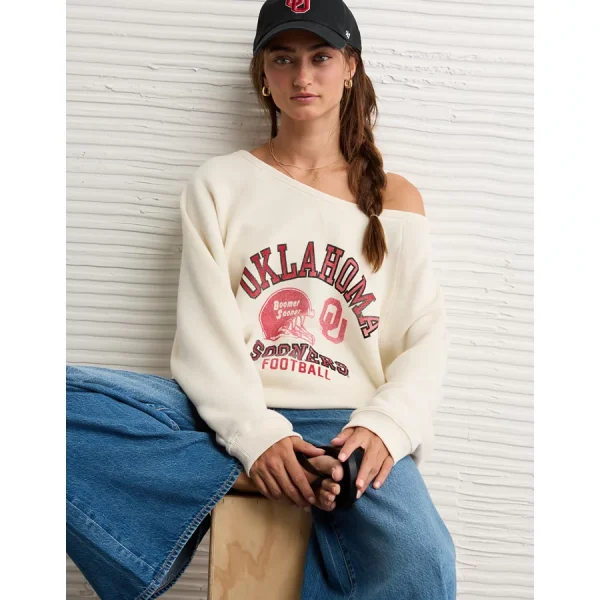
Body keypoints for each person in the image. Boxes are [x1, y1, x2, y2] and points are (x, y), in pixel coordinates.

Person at [66, 1, 457, 598]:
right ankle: (281, 472)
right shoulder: (219, 184)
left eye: (321, 57)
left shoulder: (395, 198)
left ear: (350, 67)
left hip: (345, 426)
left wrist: (386, 427)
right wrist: (256, 436)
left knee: (423, 557)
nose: (303, 76)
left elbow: (422, 338)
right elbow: (205, 333)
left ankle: (317, 471)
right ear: (263, 74)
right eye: (283, 59)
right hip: (221, 413)